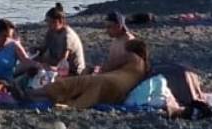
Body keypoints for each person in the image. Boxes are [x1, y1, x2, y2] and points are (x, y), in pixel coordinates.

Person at [16, 39, 149, 109]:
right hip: (118, 93)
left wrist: (94, 69)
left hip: (108, 81)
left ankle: (31, 94)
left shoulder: (131, 57)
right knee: (80, 95)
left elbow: (108, 66)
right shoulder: (143, 67)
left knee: (73, 84)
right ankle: (40, 97)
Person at [35, 5, 86, 75]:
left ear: (59, 21)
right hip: (56, 63)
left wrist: (45, 64)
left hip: (71, 70)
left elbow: (63, 62)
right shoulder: (51, 31)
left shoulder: (67, 37)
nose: (48, 24)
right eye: (47, 22)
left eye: (51, 22)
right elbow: (43, 48)